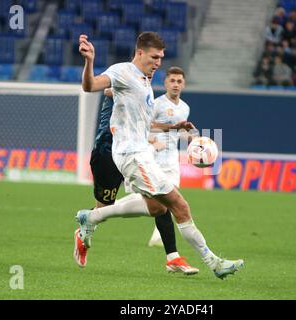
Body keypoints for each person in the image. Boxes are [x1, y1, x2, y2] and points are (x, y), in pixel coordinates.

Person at [75, 31, 244, 279]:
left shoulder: (144, 81)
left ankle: (91, 216)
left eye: (161, 58)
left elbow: (144, 123)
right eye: (154, 57)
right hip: (133, 156)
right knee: (179, 205)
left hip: (138, 154)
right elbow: (90, 86)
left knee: (156, 208)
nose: (158, 63)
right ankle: (214, 262)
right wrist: (89, 61)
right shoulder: (122, 72)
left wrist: (174, 128)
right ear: (140, 52)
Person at [73, 79, 199, 274]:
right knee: (104, 206)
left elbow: (147, 124)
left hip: (134, 155)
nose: (152, 69)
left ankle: (173, 257)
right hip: (107, 151)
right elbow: (106, 90)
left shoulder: (145, 94)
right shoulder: (123, 80)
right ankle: (87, 224)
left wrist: (176, 129)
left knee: (162, 199)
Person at [146, 66, 198, 249]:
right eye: (172, 81)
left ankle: (157, 236)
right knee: (158, 201)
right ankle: (103, 212)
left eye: (179, 81)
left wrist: (192, 139)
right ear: (165, 82)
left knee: (170, 199)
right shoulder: (156, 104)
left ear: (184, 84)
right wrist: (152, 142)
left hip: (172, 160)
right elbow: (143, 126)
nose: (176, 84)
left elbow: (179, 133)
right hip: (153, 158)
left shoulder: (185, 108)